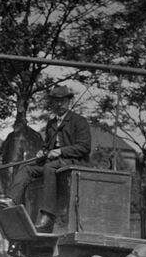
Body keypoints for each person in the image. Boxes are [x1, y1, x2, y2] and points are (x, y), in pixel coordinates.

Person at [6, 85, 91, 232]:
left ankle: (49, 215)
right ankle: (11, 201)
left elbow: (84, 147)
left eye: (62, 101)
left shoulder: (79, 121)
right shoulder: (51, 124)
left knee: (49, 167)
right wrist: (43, 152)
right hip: (54, 162)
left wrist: (60, 151)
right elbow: (47, 146)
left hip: (74, 162)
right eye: (55, 101)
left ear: (68, 102)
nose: (59, 105)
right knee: (26, 169)